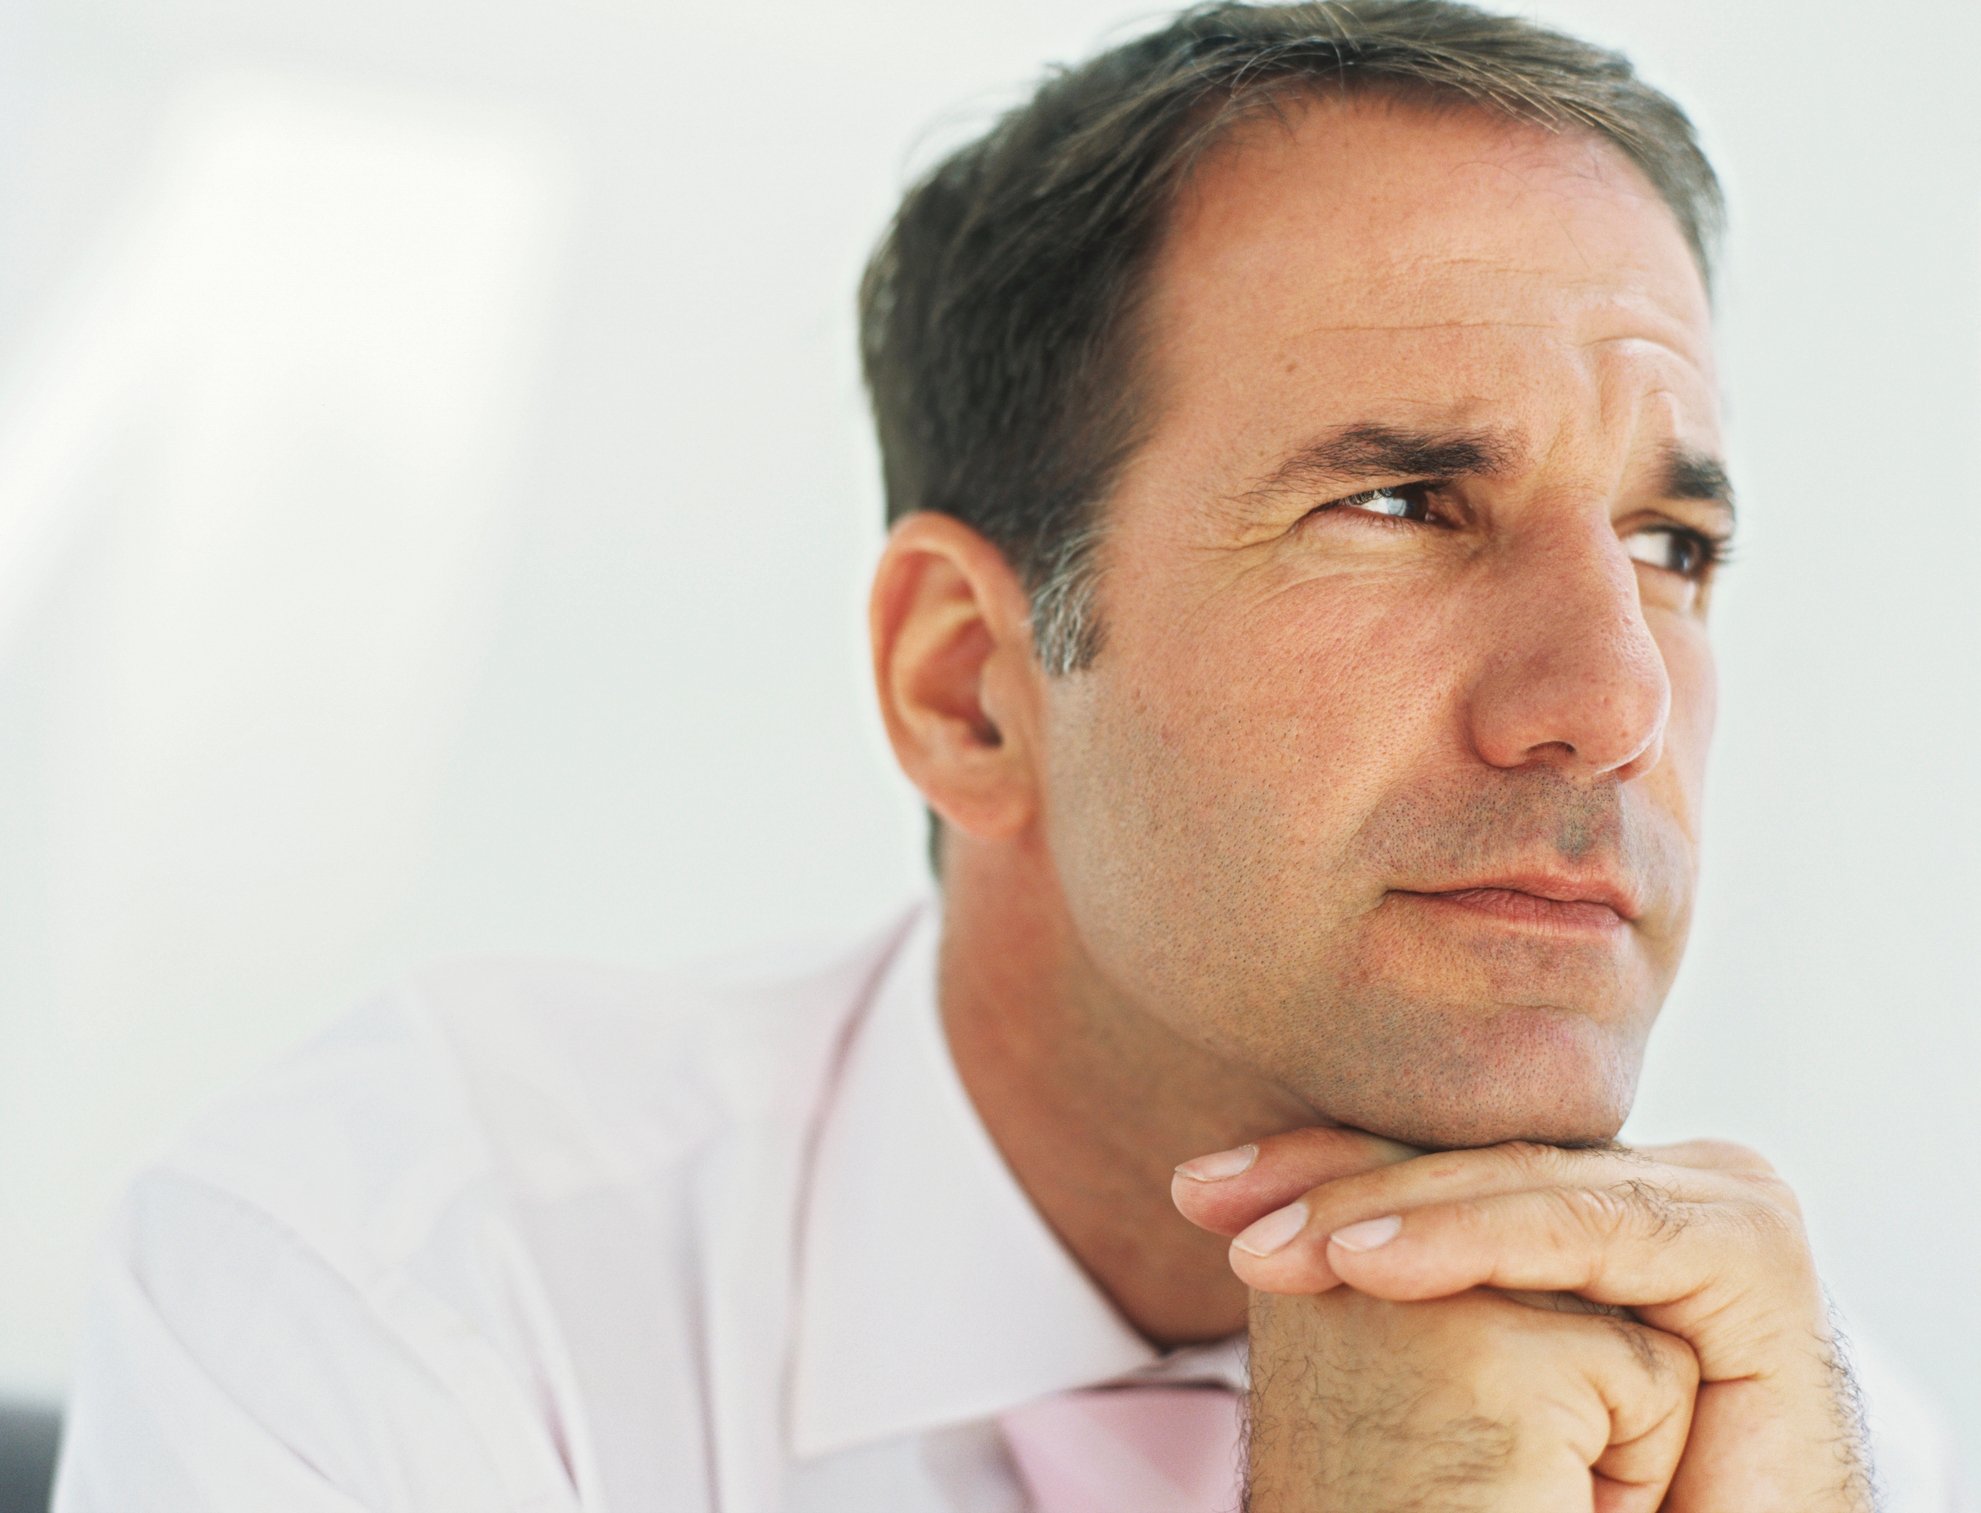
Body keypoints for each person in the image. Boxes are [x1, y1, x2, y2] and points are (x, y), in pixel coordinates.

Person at [49, 2, 1965, 1509]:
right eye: (1400, 502)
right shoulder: (392, 1277)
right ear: (967, 685)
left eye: (1673, 547)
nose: (1615, 701)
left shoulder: (1796, 1425)